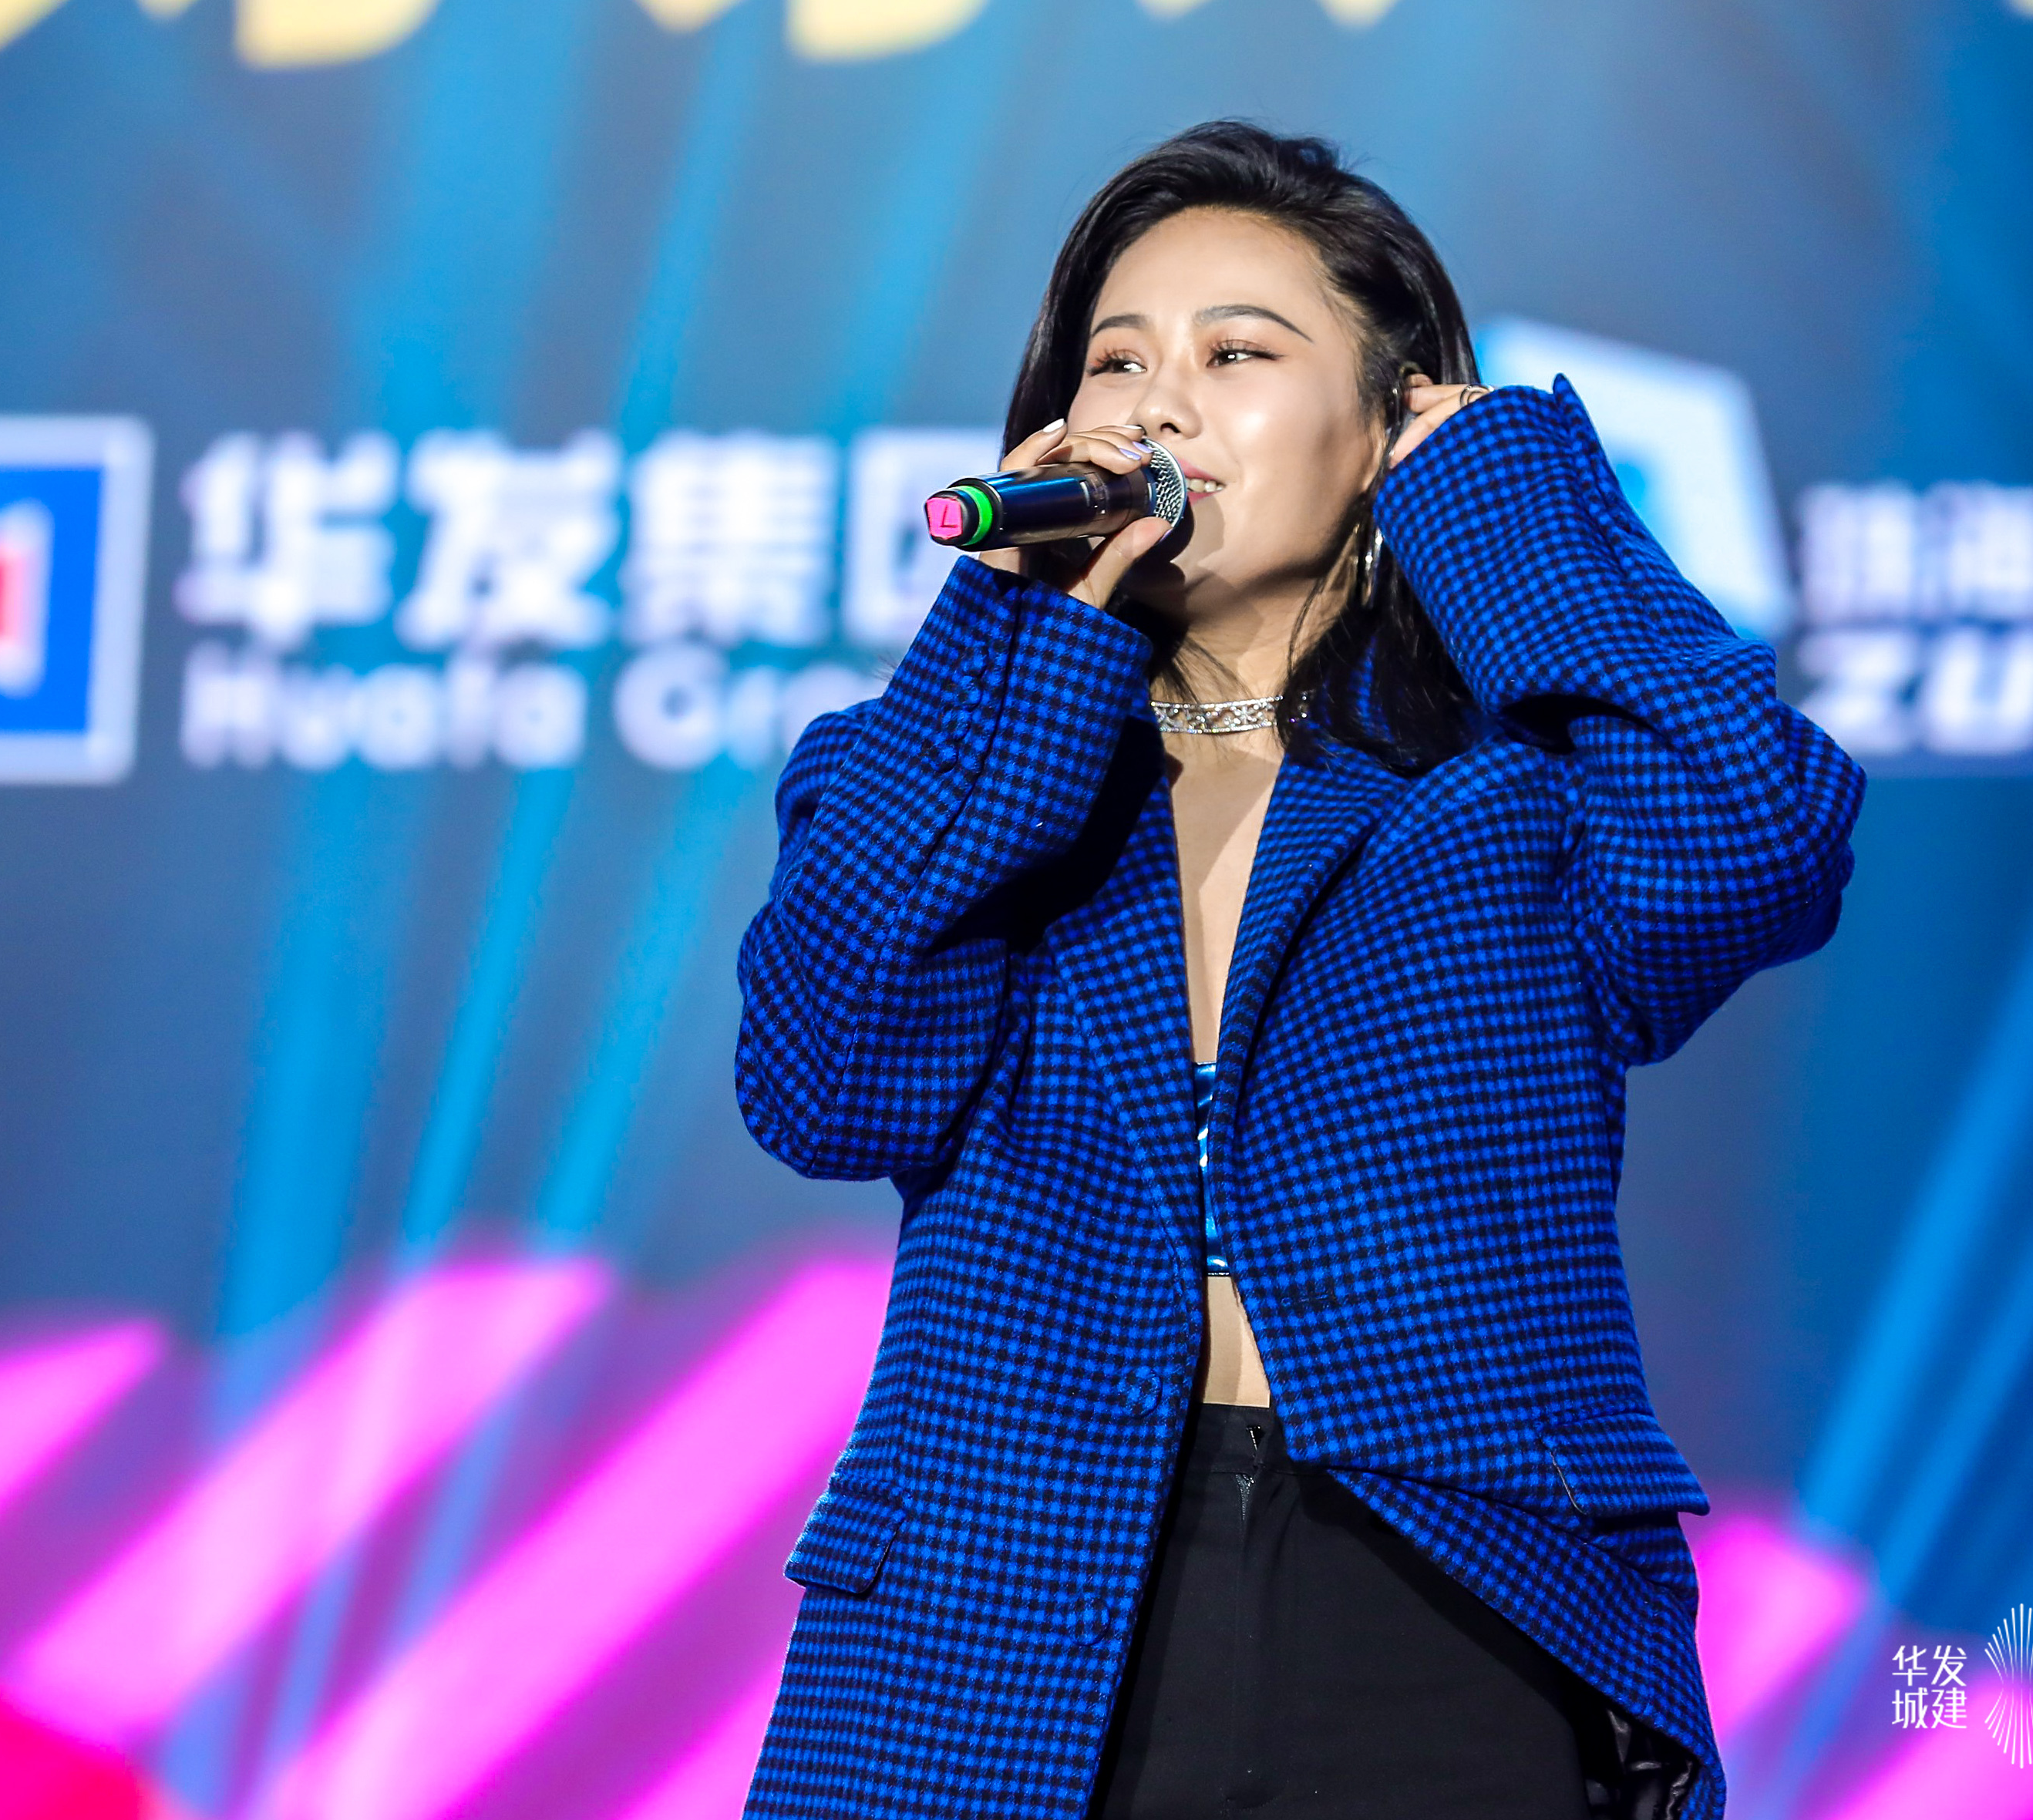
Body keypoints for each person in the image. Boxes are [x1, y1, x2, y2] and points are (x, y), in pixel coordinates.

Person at [734, 121, 1863, 1820]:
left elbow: (1759, 841)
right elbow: (824, 1087)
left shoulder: (1512, 791)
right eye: (1117, 361)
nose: (1156, 409)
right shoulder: (937, 769)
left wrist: (1500, 498)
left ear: (1388, 423)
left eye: (1235, 356)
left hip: (1446, 1583)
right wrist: (1015, 638)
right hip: (1000, 1599)